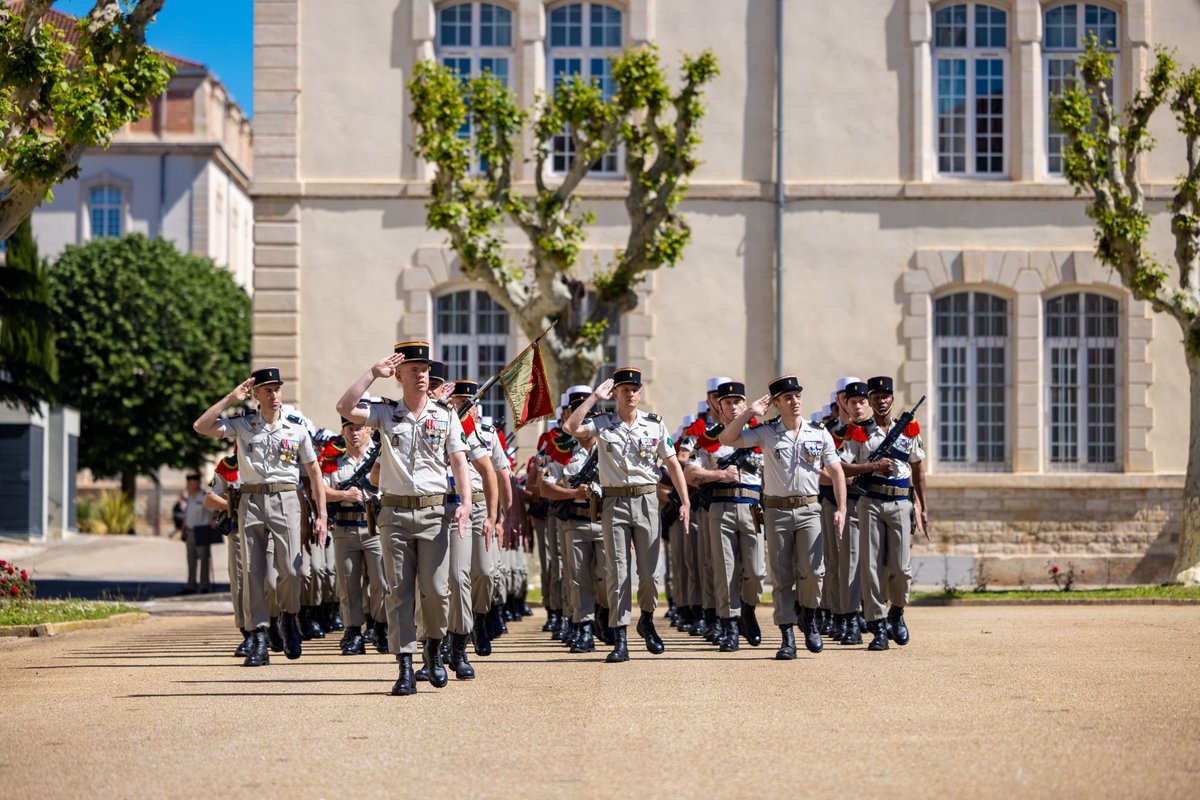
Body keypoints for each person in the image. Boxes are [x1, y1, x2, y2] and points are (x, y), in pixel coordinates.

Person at [335, 343, 492, 696]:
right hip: (394, 514)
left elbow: (459, 461)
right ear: (399, 374)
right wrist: (371, 374)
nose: (421, 375)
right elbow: (344, 408)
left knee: (436, 591)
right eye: (414, 369)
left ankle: (433, 648)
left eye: (425, 369)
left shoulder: (445, 415)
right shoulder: (385, 412)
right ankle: (404, 665)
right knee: (399, 592)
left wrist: (466, 502)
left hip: (435, 513)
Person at [193, 367, 327, 667]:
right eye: (267, 390)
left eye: (277, 389)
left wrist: (321, 515)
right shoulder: (244, 425)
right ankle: (258, 637)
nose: (274, 395)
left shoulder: (296, 429)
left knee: (292, 570)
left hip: (286, 499)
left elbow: (315, 472)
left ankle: (289, 616)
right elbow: (201, 426)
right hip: (251, 500)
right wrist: (231, 398)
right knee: (252, 573)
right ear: (255, 394)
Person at [563, 368, 691, 663]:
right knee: (618, 572)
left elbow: (672, 464)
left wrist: (684, 501)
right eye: (625, 390)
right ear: (616, 393)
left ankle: (646, 619)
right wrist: (594, 398)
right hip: (614, 502)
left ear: (639, 392)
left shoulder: (654, 424)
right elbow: (571, 427)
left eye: (635, 389)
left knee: (649, 573)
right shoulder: (603, 423)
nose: (631, 394)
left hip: (646, 500)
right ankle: (620, 637)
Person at [719, 375, 846, 659]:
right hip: (776, 511)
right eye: (788, 398)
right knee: (782, 577)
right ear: (776, 403)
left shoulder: (819, 432)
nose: (795, 401)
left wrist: (842, 508)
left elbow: (836, 471)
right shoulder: (766, 433)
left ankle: (808, 617)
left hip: (809, 509)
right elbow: (726, 438)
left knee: (814, 572)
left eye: (797, 396)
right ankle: (787, 636)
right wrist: (749, 412)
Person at [840, 376, 927, 651]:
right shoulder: (858, 431)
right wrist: (872, 467)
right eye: (876, 397)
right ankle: (877, 626)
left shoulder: (908, 428)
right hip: (871, 501)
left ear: (892, 398)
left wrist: (923, 506)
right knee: (871, 567)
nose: (881, 401)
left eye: (885, 396)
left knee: (901, 567)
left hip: (900, 501)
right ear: (870, 400)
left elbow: (918, 469)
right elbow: (841, 466)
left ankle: (897, 612)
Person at [690, 381, 765, 652]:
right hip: (721, 506)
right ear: (718, 407)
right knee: (725, 570)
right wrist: (719, 474)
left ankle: (748, 610)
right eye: (727, 403)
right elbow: (690, 472)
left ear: (745, 404)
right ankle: (730, 625)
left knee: (756, 571)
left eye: (738, 402)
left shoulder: (759, 435)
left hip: (753, 507)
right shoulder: (709, 438)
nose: (733, 407)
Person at [323, 417, 389, 656]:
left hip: (375, 528)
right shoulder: (333, 462)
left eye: (359, 429)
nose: (354, 433)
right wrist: (344, 495)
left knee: (381, 582)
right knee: (348, 584)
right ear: (342, 432)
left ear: (368, 430)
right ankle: (353, 632)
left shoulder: (382, 457)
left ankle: (381, 627)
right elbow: (320, 491)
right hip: (345, 528)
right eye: (349, 429)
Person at [205, 455, 248, 656]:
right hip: (240, 529)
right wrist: (231, 504)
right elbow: (209, 498)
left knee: (271, 581)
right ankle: (248, 632)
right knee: (240, 581)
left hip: (270, 529)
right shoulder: (229, 466)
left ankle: (274, 623)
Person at [181, 474, 215, 594]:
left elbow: (213, 510)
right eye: (188, 483)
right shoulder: (190, 497)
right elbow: (187, 514)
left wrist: (214, 520)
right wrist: (183, 528)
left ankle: (204, 585)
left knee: (204, 559)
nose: (189, 486)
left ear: (198, 483)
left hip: (202, 530)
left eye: (191, 483)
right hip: (190, 531)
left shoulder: (204, 496)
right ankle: (191, 585)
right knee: (191, 560)